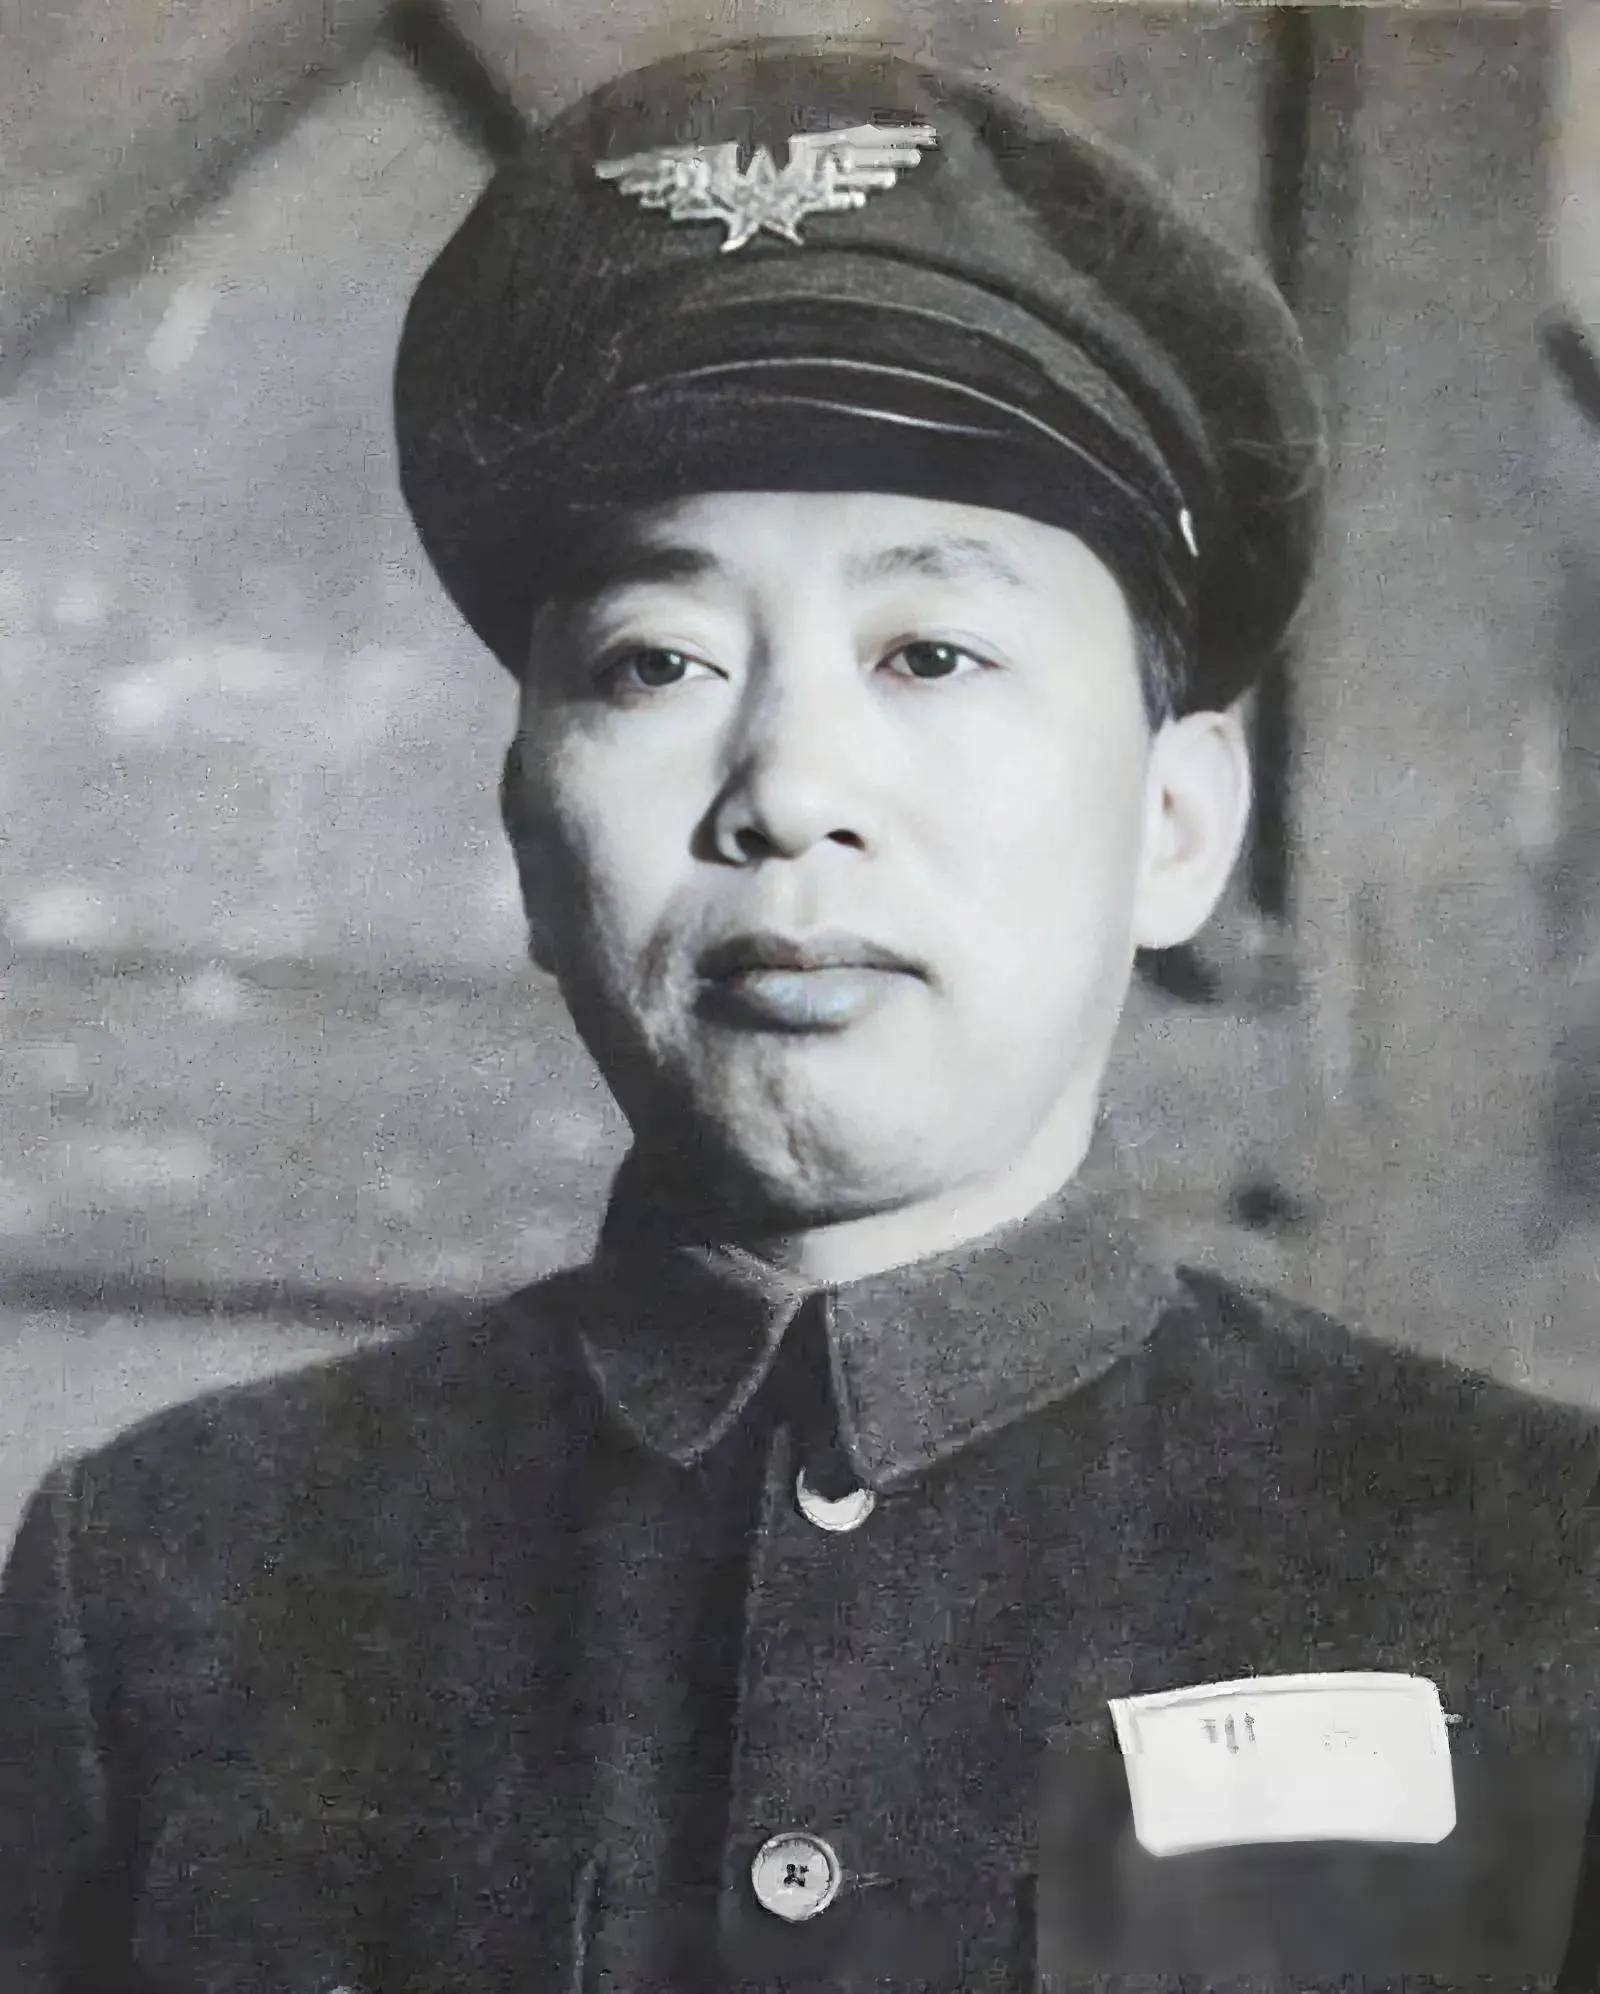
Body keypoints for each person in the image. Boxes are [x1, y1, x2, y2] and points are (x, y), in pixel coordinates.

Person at [3, 35, 1599, 1994]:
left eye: (930, 650)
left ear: (1177, 824)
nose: (786, 785)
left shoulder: (1533, 1574)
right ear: (529, 835)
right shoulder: (170, 1584)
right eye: (656, 661)